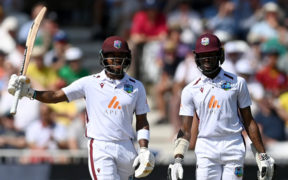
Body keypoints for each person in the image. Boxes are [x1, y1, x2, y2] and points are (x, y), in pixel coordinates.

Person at [8, 36, 155, 180]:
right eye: (112, 55)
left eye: (121, 55)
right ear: (103, 57)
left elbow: (142, 120)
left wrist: (143, 149)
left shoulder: (137, 86)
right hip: (101, 146)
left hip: (127, 147)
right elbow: (56, 96)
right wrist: (29, 92)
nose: (117, 59)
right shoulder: (89, 83)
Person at [167, 33, 275, 180]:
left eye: (211, 54)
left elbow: (249, 121)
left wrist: (262, 155)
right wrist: (178, 159)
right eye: (203, 55)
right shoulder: (190, 89)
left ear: (220, 55)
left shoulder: (238, 83)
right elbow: (185, 130)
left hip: (233, 145)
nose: (207, 59)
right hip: (206, 147)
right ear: (196, 57)